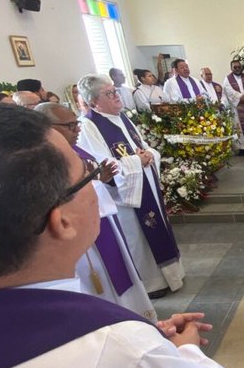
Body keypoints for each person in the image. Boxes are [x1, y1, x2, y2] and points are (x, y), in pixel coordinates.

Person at [0, 102, 244, 368]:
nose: (98, 188)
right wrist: (184, 353)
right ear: (61, 220)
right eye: (88, 177)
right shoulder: (130, 359)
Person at [35, 102, 156, 320]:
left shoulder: (77, 148)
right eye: (71, 125)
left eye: (76, 123)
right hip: (81, 234)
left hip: (104, 223)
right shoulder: (45, 159)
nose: (78, 129)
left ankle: (135, 315)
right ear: (48, 126)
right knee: (99, 281)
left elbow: (93, 177)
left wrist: (101, 178)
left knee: (120, 272)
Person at [77, 74, 185, 298]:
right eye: (110, 93)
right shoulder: (89, 126)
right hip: (126, 195)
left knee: (158, 227)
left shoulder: (123, 117)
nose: (117, 96)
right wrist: (138, 161)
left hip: (146, 184)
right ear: (94, 100)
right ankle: (152, 283)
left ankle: (172, 275)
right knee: (138, 237)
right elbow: (102, 164)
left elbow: (144, 146)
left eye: (115, 91)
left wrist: (148, 155)